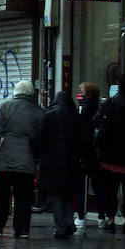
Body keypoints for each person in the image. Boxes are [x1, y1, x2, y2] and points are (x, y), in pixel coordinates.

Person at [0, 80, 43, 238]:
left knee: (1, 197)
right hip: (27, 161)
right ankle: (22, 229)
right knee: (23, 198)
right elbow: (41, 138)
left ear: (15, 92)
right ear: (31, 93)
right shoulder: (38, 111)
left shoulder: (5, 107)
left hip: (4, 160)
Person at [93, 74, 125, 234]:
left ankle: (111, 220)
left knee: (110, 189)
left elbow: (97, 122)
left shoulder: (110, 103)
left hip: (110, 155)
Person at [34, 90, 87, 239]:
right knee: (68, 194)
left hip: (52, 163)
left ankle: (61, 227)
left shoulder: (48, 116)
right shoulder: (76, 117)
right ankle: (69, 222)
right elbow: (84, 140)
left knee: (57, 195)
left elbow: (38, 138)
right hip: (72, 162)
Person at [74, 82, 101, 230]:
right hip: (97, 152)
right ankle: (102, 217)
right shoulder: (99, 107)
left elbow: (82, 130)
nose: (80, 94)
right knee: (98, 185)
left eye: (82, 91)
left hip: (85, 151)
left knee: (82, 186)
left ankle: (81, 217)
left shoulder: (84, 109)